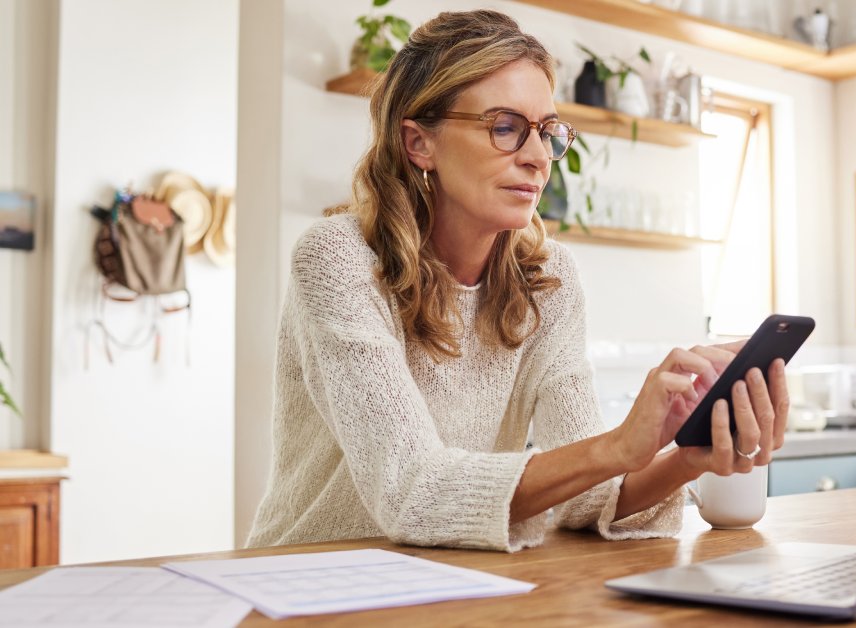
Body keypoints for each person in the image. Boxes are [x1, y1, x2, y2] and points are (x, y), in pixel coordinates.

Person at [246, 9, 790, 552]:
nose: (537, 158)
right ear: (419, 143)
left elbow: (583, 497)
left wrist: (685, 456)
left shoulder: (547, 279)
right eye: (505, 128)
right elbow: (414, 492)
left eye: (548, 132)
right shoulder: (338, 259)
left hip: (447, 584)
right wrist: (622, 445)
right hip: (304, 580)